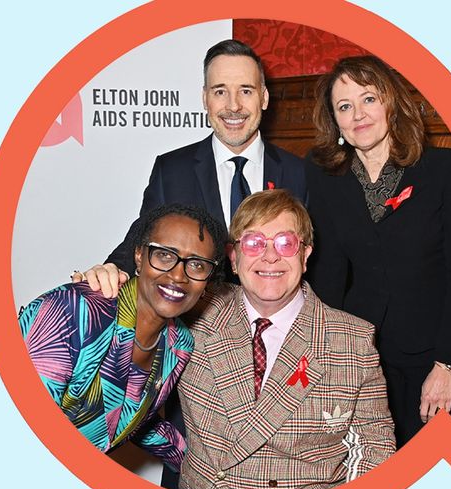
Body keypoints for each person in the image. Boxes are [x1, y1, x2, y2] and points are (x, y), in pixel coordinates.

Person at [305, 55, 451, 446]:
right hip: (363, 358)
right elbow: (328, 275)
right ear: (335, 121)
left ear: (391, 104)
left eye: (368, 99)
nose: (358, 115)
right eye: (344, 106)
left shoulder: (447, 170)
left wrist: (447, 365)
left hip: (436, 358)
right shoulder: (326, 179)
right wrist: (327, 359)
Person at [178, 190, 395, 489]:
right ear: (234, 257)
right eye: (253, 242)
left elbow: (374, 454)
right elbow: (145, 288)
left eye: (285, 243)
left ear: (305, 256)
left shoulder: (353, 341)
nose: (270, 256)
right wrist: (104, 282)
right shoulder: (194, 311)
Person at [76, 38, 307, 297]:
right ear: (204, 98)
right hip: (198, 325)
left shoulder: (301, 172)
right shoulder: (172, 170)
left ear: (263, 98)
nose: (233, 105)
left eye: (246, 91)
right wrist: (111, 269)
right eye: (220, 91)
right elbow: (144, 238)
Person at [19, 204, 227, 472]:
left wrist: (215, 472)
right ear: (139, 255)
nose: (178, 275)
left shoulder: (179, 344)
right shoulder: (73, 310)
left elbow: (134, 417)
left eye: (197, 264)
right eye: (164, 256)